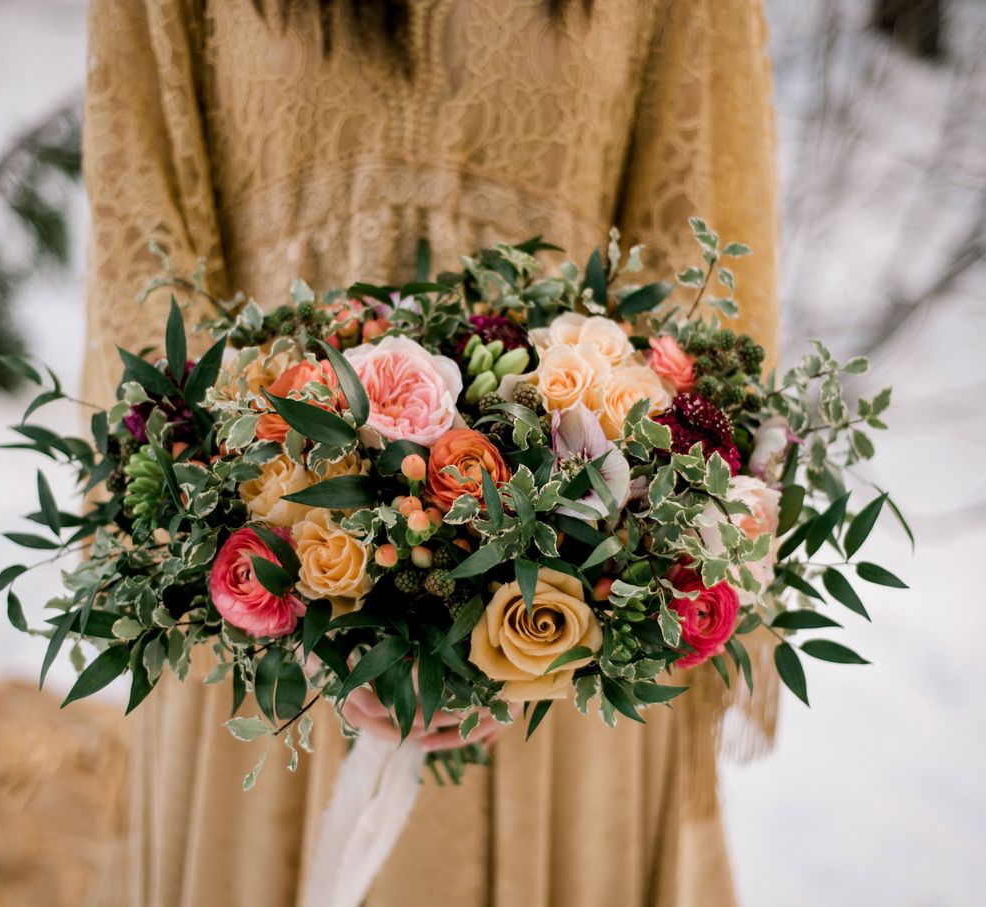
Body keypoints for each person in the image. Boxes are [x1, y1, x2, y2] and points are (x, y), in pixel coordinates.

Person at [82, 2, 780, 904]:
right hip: (265, 583)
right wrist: (298, 602)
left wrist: (596, 585)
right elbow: (144, 235)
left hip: (574, 589)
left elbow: (698, 244)